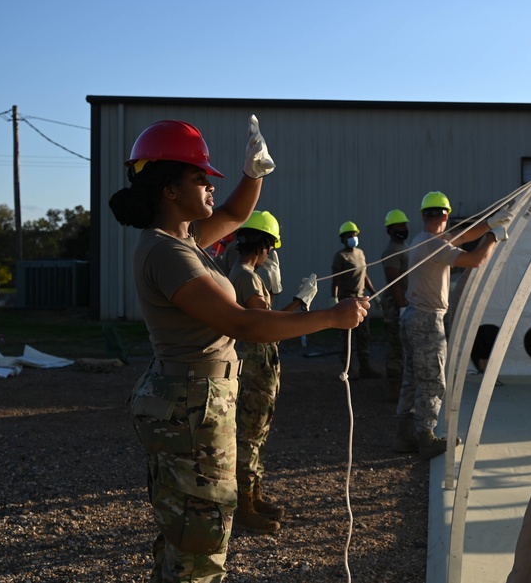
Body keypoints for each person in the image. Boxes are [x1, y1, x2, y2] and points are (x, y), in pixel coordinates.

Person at [108, 116, 367, 583]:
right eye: (199, 178)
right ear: (169, 190)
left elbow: (233, 215)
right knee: (199, 537)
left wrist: (254, 175)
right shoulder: (168, 252)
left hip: (192, 397)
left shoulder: (179, 240)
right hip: (192, 401)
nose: (209, 186)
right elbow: (242, 323)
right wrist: (330, 317)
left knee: (188, 528)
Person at [394, 192, 512, 459]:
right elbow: (475, 260)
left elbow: (464, 237)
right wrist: (494, 236)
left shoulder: (423, 240)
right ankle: (426, 438)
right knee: (433, 381)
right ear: (446, 215)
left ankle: (405, 436)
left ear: (423, 215)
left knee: (412, 379)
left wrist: (489, 223)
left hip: (413, 317)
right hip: (427, 320)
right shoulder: (435, 245)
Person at [227, 210, 317, 535]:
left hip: (258, 367)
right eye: (270, 248)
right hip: (253, 369)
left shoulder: (244, 273)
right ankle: (244, 508)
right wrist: (300, 302)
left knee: (257, 435)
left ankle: (254, 496)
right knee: (249, 439)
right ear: (264, 246)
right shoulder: (247, 278)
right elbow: (268, 327)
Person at [331, 221, 382, 380]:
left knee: (363, 335)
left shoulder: (360, 253)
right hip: (346, 301)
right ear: (343, 239)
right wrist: (333, 298)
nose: (353, 238)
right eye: (349, 236)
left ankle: (365, 368)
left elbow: (364, 275)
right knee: (346, 336)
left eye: (354, 235)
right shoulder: (340, 256)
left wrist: (375, 294)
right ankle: (347, 370)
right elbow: (336, 280)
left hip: (361, 299)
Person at [380, 209, 410, 402]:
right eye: (399, 226)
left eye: (404, 225)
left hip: (404, 302)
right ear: (390, 230)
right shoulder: (391, 251)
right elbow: (395, 281)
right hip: (395, 304)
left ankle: (403, 386)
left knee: (404, 345)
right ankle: (394, 388)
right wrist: (401, 307)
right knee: (396, 346)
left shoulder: (404, 247)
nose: (403, 229)